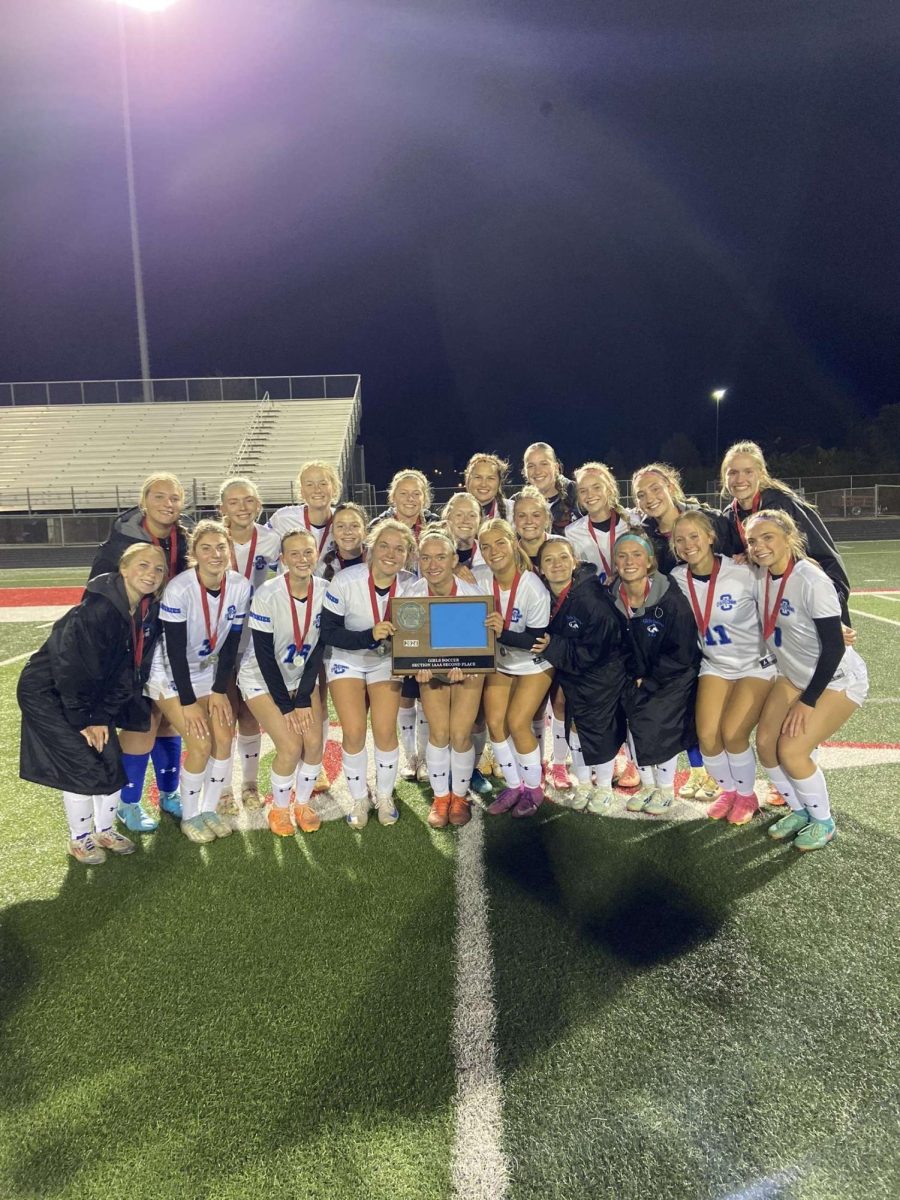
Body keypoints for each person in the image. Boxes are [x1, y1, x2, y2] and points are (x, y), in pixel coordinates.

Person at [18, 544, 167, 864]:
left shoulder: (135, 608)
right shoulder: (99, 609)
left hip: (85, 696)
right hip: (49, 692)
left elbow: (119, 671)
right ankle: (80, 837)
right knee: (83, 764)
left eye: (158, 569)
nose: (151, 574)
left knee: (112, 760)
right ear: (123, 569)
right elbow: (70, 667)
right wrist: (86, 718)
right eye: (143, 566)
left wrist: (102, 712)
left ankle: (104, 829)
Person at [745, 510, 868, 851]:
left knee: (792, 749)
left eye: (768, 536)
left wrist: (808, 701)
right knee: (766, 745)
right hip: (794, 674)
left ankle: (823, 821)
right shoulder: (760, 576)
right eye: (753, 540)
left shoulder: (810, 579)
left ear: (789, 537)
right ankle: (799, 810)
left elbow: (832, 649)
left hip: (836, 678)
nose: (759, 546)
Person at [90, 472, 193, 832]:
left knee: (167, 721)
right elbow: (97, 595)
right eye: (161, 497)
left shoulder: (185, 538)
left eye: (175, 498)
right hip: (134, 643)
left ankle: (168, 793)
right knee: (141, 719)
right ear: (144, 501)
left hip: (171, 639)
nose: (169, 504)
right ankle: (127, 803)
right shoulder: (121, 542)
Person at [631, 461, 738, 802]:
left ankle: (710, 774)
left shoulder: (709, 519)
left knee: (710, 711)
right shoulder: (646, 534)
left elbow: (742, 557)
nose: (650, 498)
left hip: (723, 631)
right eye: (641, 495)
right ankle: (698, 771)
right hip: (676, 632)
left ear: (671, 486)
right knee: (684, 704)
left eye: (655, 489)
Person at [145, 520, 252, 843]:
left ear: (229, 550)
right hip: (169, 672)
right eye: (206, 548)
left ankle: (208, 809)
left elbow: (231, 642)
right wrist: (188, 703)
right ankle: (189, 816)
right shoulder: (180, 588)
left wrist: (220, 690)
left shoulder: (240, 585)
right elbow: (175, 652)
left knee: (223, 739)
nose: (215, 554)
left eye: (221, 547)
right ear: (195, 554)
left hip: (209, 671)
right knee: (201, 742)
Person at [670, 511, 776, 825]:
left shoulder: (743, 571)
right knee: (707, 737)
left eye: (694, 536)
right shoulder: (677, 578)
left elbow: (782, 591)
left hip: (753, 664)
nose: (688, 544)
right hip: (715, 665)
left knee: (732, 733)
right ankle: (728, 790)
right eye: (680, 539)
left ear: (710, 536)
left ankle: (747, 795)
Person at [320, 519, 416, 827]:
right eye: (384, 545)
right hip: (348, 658)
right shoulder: (346, 580)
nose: (391, 553)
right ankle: (360, 798)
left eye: (400, 548)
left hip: (387, 661)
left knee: (386, 730)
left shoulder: (413, 585)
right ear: (371, 548)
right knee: (354, 731)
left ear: (408, 554)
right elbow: (330, 632)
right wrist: (369, 635)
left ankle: (385, 795)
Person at [238, 529, 328, 836]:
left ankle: (301, 803)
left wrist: (302, 698)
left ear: (316, 554)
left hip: (302, 676)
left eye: (308, 552)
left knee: (315, 743)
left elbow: (318, 650)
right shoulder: (268, 594)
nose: (302, 559)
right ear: (282, 559)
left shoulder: (328, 592)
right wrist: (286, 706)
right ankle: (278, 808)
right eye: (294, 554)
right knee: (290, 746)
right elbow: (263, 657)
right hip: (262, 679)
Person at [532, 538, 627, 814]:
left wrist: (554, 647)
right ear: (540, 568)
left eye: (563, 558)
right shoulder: (547, 594)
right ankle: (584, 783)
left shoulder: (591, 597)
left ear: (574, 561)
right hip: (574, 669)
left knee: (597, 728)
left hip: (601, 672)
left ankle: (605, 788)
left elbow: (600, 647)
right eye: (549, 560)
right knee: (574, 725)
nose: (557, 564)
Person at [610, 531, 701, 816]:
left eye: (636, 554)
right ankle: (648, 785)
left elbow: (682, 651)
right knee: (630, 724)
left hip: (672, 676)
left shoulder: (670, 598)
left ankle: (665, 788)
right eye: (622, 555)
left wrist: (648, 679)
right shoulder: (612, 597)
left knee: (657, 722)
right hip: (635, 675)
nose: (629, 561)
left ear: (650, 562)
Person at [404, 527, 487, 828]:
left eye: (440, 556)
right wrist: (416, 666)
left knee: (460, 734)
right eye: (426, 557)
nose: (433, 564)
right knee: (439, 733)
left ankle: (460, 795)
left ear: (454, 559)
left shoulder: (473, 593)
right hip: (431, 670)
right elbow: (407, 642)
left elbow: (481, 643)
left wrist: (469, 663)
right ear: (418, 560)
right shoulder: (411, 594)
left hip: (468, 671)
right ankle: (441, 798)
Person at [720, 440, 851, 623]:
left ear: (761, 473)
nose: (740, 479)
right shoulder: (728, 517)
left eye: (748, 471)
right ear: (724, 478)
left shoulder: (784, 505)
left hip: (804, 608)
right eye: (733, 472)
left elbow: (826, 559)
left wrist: (832, 614)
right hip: (769, 613)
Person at [478, 518, 553, 818]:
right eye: (485, 546)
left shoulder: (532, 586)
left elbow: (536, 640)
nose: (493, 550)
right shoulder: (480, 579)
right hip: (502, 660)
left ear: (513, 543)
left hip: (533, 662)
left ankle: (534, 789)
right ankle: (513, 785)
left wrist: (502, 632)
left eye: (499, 542)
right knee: (495, 723)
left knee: (518, 722)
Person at [217, 477, 281, 815]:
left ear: (258, 505)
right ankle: (224, 789)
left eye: (248, 501)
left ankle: (250, 785)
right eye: (234, 502)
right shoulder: (211, 539)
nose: (242, 507)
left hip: (255, 638)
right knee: (223, 717)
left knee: (250, 716)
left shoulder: (271, 539)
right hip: (219, 640)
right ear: (222, 508)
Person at [565, 462, 628, 585]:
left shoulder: (631, 523)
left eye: (596, 487)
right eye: (583, 491)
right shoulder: (571, 532)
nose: (590, 495)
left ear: (609, 489)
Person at [266, 459, 340, 561]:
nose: (317, 490)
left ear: (334, 488)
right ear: (302, 491)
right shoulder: (283, 518)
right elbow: (259, 546)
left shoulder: (343, 520)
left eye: (323, 484)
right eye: (309, 485)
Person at [522, 442, 581, 533]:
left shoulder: (577, 493)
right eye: (531, 466)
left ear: (556, 467)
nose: (537, 471)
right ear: (525, 471)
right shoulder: (517, 502)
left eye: (544, 464)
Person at [369, 469, 440, 539]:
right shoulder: (376, 526)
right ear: (393, 497)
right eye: (403, 493)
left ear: (424, 499)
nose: (410, 498)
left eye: (416, 493)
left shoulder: (437, 526)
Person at [317, 501, 368, 580]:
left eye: (354, 526)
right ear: (333, 532)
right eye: (340, 526)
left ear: (365, 532)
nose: (347, 532)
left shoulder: (378, 562)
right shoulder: (322, 568)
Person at [464, 452, 514, 521]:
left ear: (499, 483)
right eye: (478, 477)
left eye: (490, 478)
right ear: (468, 480)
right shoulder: (454, 510)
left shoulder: (513, 511)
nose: (483, 484)